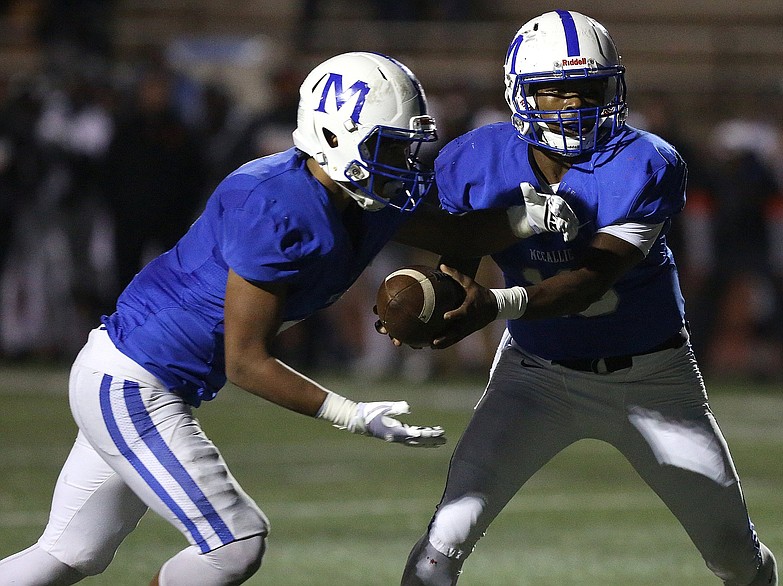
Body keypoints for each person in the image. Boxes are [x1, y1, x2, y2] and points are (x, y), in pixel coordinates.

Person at [0, 51, 578, 586]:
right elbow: (246, 360)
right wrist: (351, 413)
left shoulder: (359, 192)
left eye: (407, 147)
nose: (404, 163)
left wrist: (525, 221)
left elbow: (450, 233)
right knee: (234, 542)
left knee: (70, 552)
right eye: (390, 147)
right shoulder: (273, 203)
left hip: (148, 379)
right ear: (332, 135)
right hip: (131, 380)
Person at [399, 11, 778, 585]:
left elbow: (589, 281)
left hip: (653, 380)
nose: (573, 106)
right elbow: (463, 252)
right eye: (553, 91)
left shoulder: (643, 161)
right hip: (535, 375)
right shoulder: (475, 159)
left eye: (589, 90)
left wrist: (493, 306)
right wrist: (437, 298)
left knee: (734, 556)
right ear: (519, 92)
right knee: (441, 547)